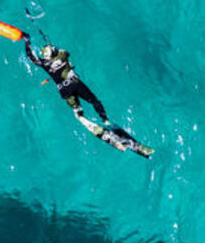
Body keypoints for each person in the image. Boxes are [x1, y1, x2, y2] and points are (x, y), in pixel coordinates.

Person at [23, 37, 153, 158]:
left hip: (65, 91)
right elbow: (65, 52)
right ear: (54, 51)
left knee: (78, 112)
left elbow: (32, 58)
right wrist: (56, 50)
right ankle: (105, 121)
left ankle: (82, 118)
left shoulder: (45, 64)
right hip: (74, 83)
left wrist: (27, 41)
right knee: (95, 102)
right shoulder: (62, 55)